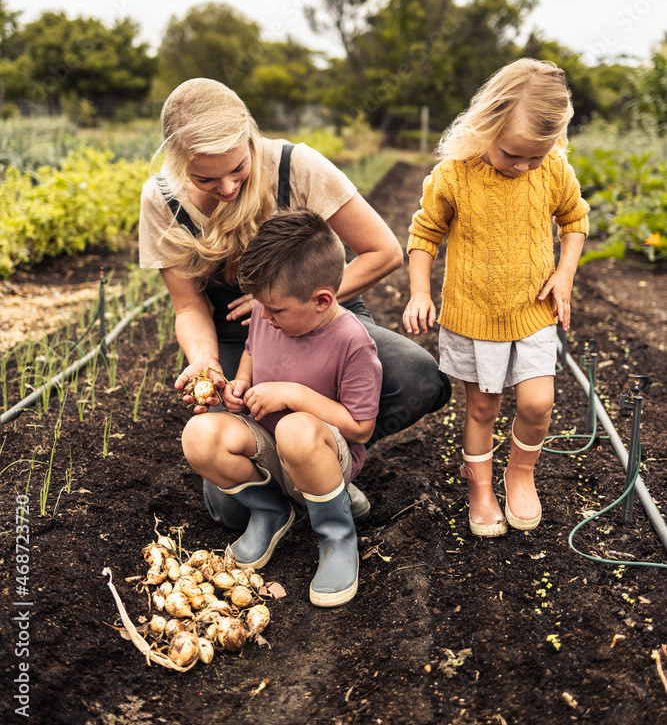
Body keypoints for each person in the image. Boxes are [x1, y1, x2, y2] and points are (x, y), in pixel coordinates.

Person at [139, 78, 450, 528]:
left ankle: (325, 463)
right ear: (176, 161)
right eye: (205, 178)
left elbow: (382, 252)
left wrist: (298, 302)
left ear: (250, 136)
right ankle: (296, 486)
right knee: (228, 511)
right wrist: (206, 360)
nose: (227, 188)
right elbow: (189, 308)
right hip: (236, 333)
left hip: (322, 318)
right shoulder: (164, 200)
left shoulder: (294, 166)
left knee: (418, 378)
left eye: (238, 169)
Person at [402, 59, 589, 537]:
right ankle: (480, 488)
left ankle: (520, 473)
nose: (524, 166)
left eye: (536, 155)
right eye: (512, 154)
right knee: (482, 408)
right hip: (473, 314)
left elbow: (574, 221)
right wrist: (420, 291)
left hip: (533, 312)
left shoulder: (552, 169)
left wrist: (565, 274)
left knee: (537, 403)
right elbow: (425, 233)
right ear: (487, 125)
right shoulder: (455, 175)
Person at [181, 209, 382, 606]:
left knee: (295, 429)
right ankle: (271, 513)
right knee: (199, 435)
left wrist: (294, 394)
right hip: (271, 450)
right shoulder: (265, 313)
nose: (265, 317)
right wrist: (241, 383)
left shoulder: (352, 342)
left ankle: (337, 537)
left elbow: (360, 428)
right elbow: (253, 351)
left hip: (322, 457)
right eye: (262, 308)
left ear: (322, 300)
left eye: (276, 311)